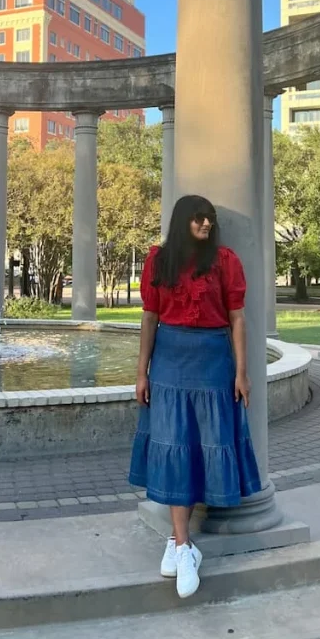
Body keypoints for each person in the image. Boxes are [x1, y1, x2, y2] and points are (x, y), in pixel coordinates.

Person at [129, 194, 262, 599]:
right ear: (182, 220)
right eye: (198, 219)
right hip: (169, 361)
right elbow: (150, 317)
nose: (206, 225)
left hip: (212, 362)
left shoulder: (225, 261)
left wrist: (242, 372)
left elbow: (238, 319)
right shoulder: (159, 260)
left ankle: (178, 542)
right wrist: (141, 373)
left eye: (210, 219)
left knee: (203, 446)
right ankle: (184, 543)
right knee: (174, 446)